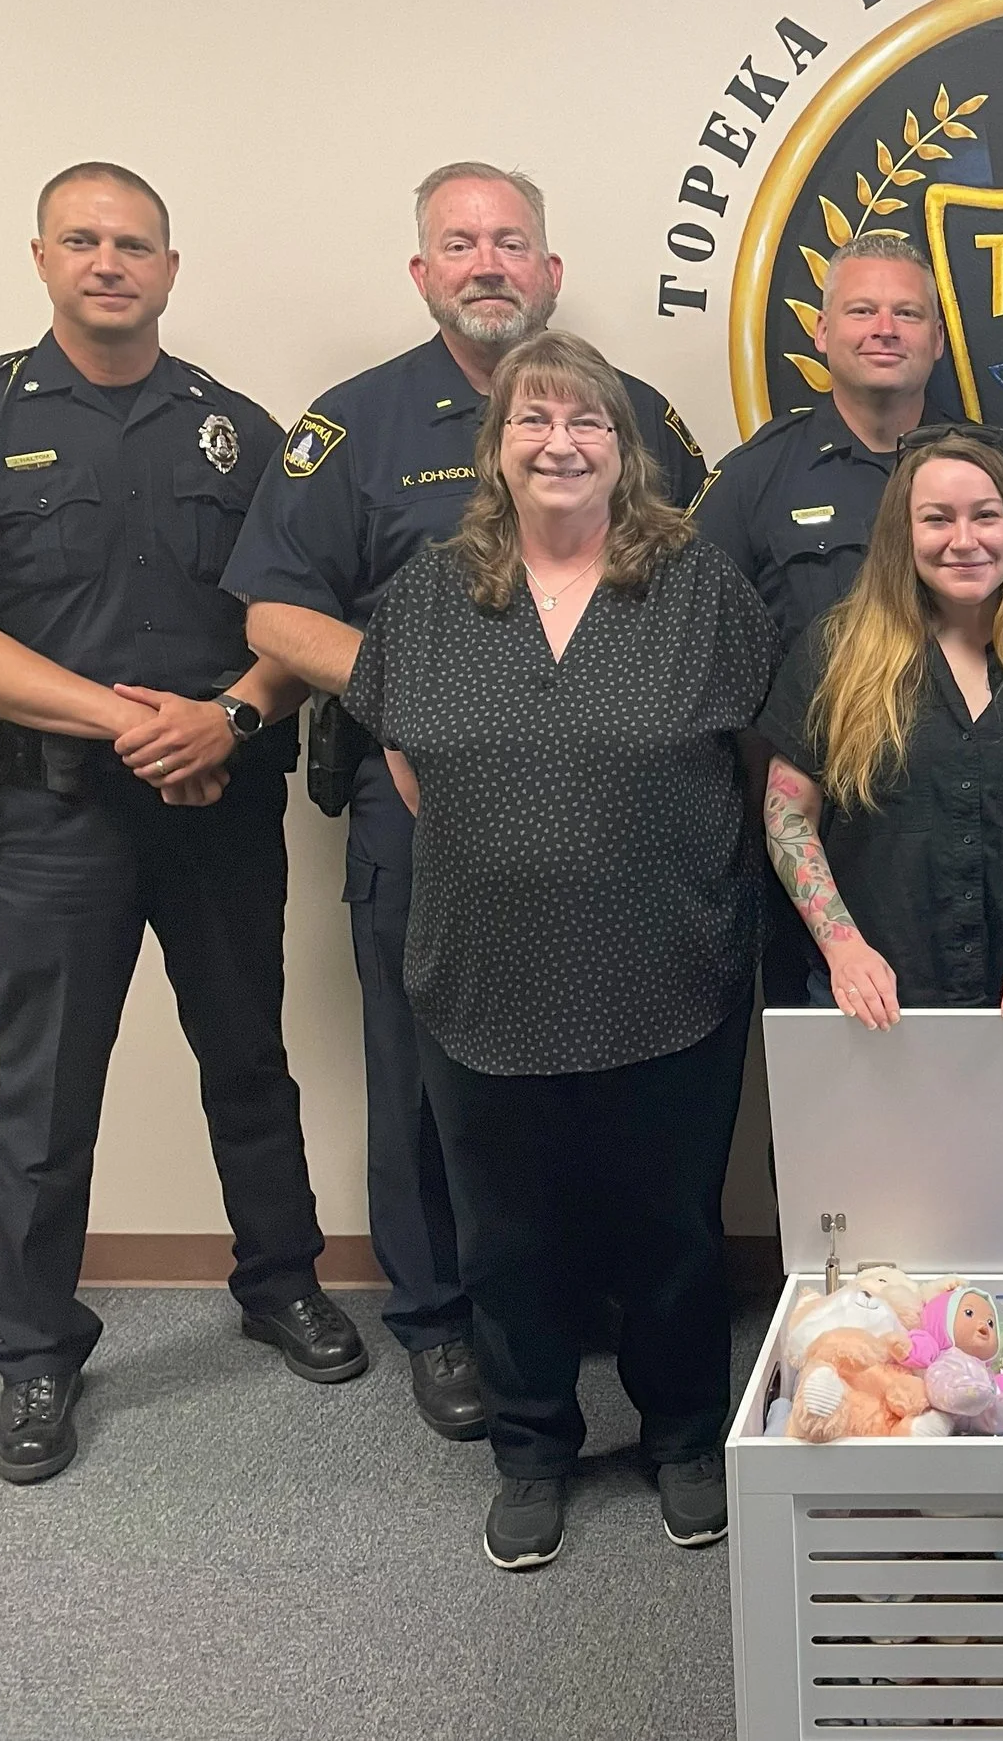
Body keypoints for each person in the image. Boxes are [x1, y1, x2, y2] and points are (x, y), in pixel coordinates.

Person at [0, 163, 357, 1485]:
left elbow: (289, 623)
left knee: (249, 1057)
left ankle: (282, 1279)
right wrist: (133, 720)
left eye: (133, 242)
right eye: (82, 239)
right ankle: (34, 1354)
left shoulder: (237, 432)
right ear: (40, 257)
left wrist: (234, 719)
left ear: (169, 269)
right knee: (46, 1094)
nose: (108, 261)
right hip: (51, 812)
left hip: (217, 800)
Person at [221, 162, 709, 1440]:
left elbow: (687, 579)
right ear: (422, 272)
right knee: (438, 1078)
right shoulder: (356, 424)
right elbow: (273, 609)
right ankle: (443, 1322)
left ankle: (583, 1308)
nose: (488, 263)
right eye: (460, 243)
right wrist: (424, 701)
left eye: (512, 243)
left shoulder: (636, 409)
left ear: (550, 270)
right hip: (424, 805)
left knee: (616, 1063)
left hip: (615, 818)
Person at [342, 330, 776, 1570]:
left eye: (586, 421)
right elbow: (405, 756)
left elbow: (758, 761)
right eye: (533, 421)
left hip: (669, 969)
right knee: (508, 1236)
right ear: (496, 448)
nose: (560, 442)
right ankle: (531, 1448)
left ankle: (685, 1436)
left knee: (672, 1229)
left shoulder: (696, 587)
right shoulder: (433, 590)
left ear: (625, 450)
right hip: (486, 974)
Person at [758, 432, 1003, 1024]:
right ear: (903, 535)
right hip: (869, 1002)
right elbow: (788, 812)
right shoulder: (836, 651)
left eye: (986, 516)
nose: (964, 541)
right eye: (937, 519)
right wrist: (844, 949)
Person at [701, 230, 951, 1006]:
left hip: (968, 829)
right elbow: (697, 649)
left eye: (908, 313)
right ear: (820, 330)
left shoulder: (992, 470)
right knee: (826, 1108)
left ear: (938, 340)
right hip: (810, 838)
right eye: (863, 310)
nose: (885, 328)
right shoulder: (755, 479)